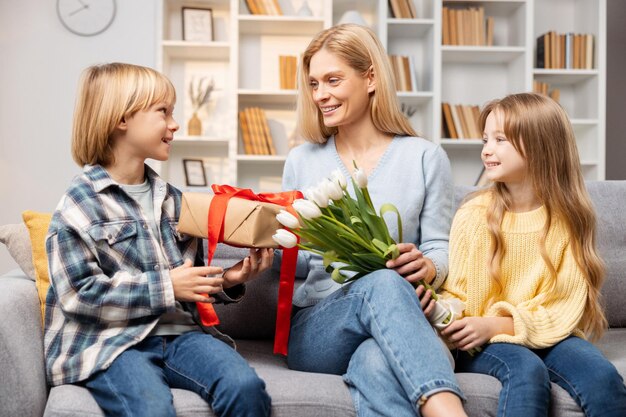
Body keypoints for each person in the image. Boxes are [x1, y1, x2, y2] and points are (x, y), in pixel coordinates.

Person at [44, 62, 273, 417]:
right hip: (112, 343)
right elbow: (79, 295)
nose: (174, 123)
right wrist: (167, 286)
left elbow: (188, 280)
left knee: (245, 389)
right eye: (163, 112)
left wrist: (229, 279)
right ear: (122, 119)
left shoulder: (173, 199)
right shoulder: (79, 204)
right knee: (151, 409)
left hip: (178, 332)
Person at [280, 24, 467, 417]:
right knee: (381, 281)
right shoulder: (302, 160)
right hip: (319, 326)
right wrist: (269, 244)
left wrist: (429, 266)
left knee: (375, 361)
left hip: (400, 322)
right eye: (314, 84)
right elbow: (297, 262)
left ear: (370, 77)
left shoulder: (424, 157)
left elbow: (438, 246)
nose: (321, 95)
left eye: (333, 80)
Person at [439, 92, 626, 417]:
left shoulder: (568, 220)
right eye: (485, 139)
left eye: (500, 139)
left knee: (604, 379)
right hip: (484, 342)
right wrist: (447, 313)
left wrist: (500, 324)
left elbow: (564, 307)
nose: (486, 149)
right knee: (526, 374)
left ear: (541, 147)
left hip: (551, 335)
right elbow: (459, 295)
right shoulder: (473, 215)